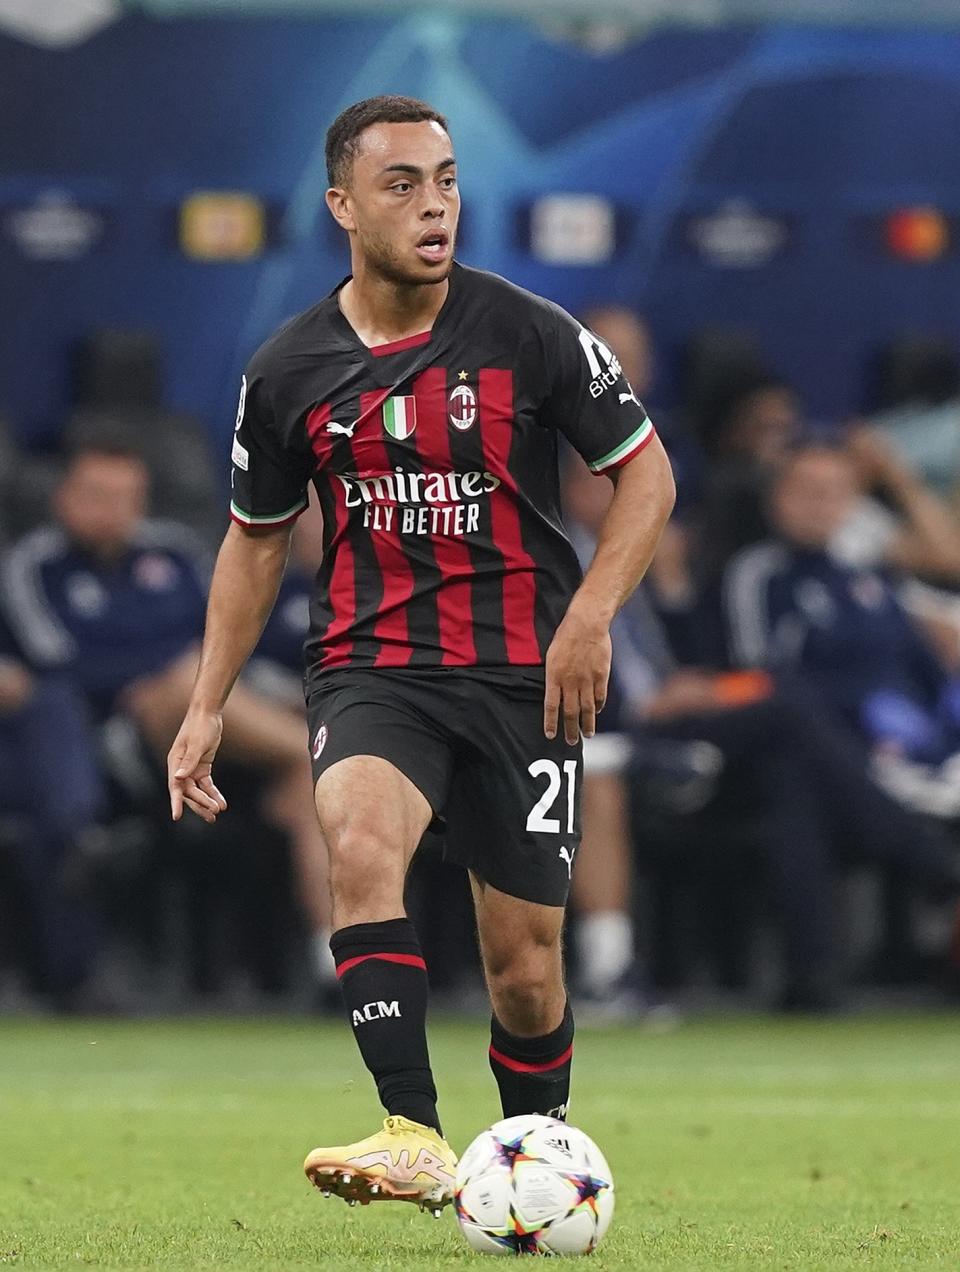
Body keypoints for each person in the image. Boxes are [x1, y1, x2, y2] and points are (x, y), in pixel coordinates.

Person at [165, 95, 675, 1215]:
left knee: (526, 971)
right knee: (356, 841)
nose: (434, 204)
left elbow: (646, 473)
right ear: (344, 206)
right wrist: (205, 704)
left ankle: (536, 1164)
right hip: (372, 665)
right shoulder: (288, 367)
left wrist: (588, 617)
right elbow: (253, 547)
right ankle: (413, 1131)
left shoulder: (530, 331)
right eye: (402, 184)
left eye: (445, 179)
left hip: (523, 673)